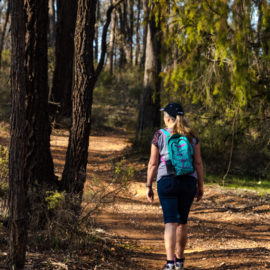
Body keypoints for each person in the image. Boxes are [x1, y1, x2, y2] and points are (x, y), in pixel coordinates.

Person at [146, 102, 204, 270]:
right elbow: (198, 163)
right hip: (188, 182)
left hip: (167, 181)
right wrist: (200, 186)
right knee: (182, 222)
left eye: (165, 115)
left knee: (170, 222)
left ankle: (170, 263)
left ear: (168, 118)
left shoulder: (160, 135)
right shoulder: (192, 136)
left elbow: (153, 163)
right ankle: (180, 261)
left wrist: (148, 185)